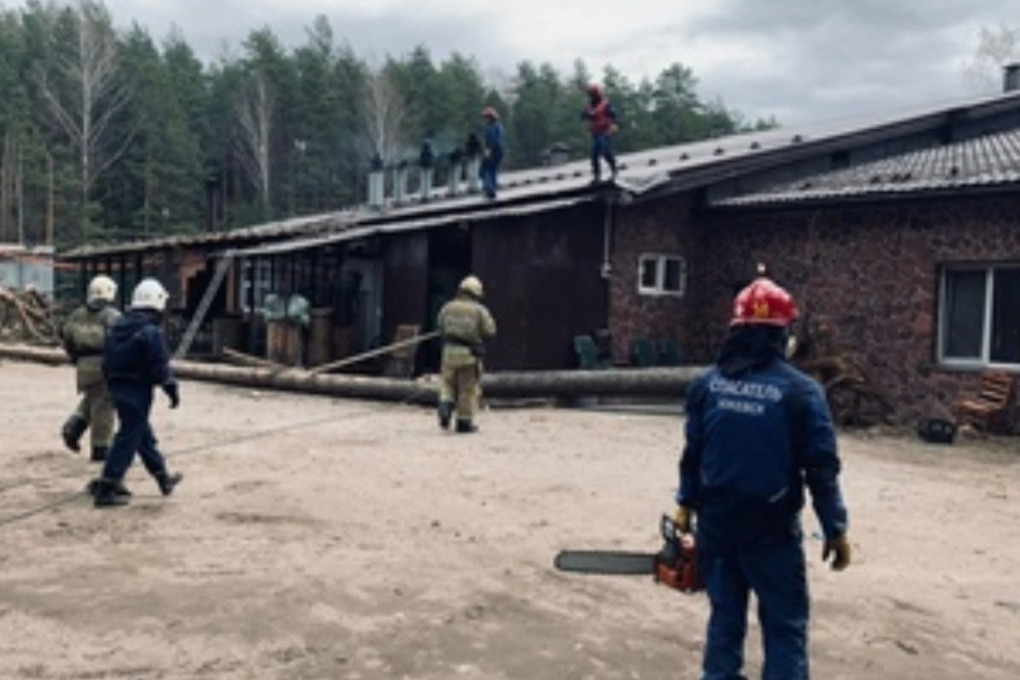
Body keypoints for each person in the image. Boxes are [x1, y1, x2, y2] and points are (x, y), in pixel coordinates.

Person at [675, 274, 851, 680]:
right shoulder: (802, 392)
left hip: (717, 524)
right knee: (785, 626)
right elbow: (821, 469)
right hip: (769, 529)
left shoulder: (707, 384)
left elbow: (693, 454)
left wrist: (684, 504)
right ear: (783, 334)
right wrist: (835, 528)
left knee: (724, 620)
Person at [92, 277, 183, 508]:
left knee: (141, 434)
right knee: (129, 436)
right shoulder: (150, 330)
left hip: (116, 385)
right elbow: (159, 363)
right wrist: (170, 387)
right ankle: (107, 485)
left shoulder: (118, 326)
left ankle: (162, 477)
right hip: (137, 389)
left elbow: (106, 360)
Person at [59, 274, 122, 462]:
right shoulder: (112, 316)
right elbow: (118, 342)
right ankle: (101, 448)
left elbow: (67, 340)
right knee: (104, 406)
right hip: (104, 365)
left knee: (94, 398)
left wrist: (76, 360)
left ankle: (74, 427)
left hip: (83, 366)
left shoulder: (76, 315)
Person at [436, 275, 496, 433]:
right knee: (466, 390)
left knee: (447, 385)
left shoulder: (447, 307)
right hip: (469, 355)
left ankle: (445, 408)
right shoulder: (479, 310)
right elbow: (490, 331)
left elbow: (440, 327)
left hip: (448, 353)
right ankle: (464, 422)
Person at [580, 83, 618, 183]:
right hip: (595, 133)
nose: (592, 96)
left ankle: (614, 170)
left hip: (605, 131)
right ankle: (597, 176)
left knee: (605, 150)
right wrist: (587, 114)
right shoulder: (588, 106)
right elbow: (582, 116)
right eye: (591, 94)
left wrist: (613, 124)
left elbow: (613, 114)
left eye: (594, 93)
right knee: (594, 154)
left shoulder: (605, 104)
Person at [480, 107, 504, 199]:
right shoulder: (499, 126)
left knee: (486, 170)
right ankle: (492, 188)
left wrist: (488, 151)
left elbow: (491, 141)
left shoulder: (491, 128)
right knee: (493, 170)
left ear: (489, 118)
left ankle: (489, 189)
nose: (484, 119)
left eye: (485, 117)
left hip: (492, 150)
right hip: (499, 150)